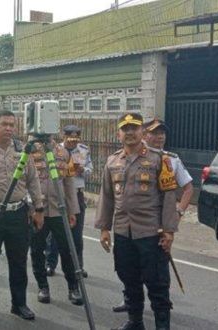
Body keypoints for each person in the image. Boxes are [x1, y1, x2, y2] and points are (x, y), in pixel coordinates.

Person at [95, 112, 179, 330]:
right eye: (125, 129)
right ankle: (135, 322)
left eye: (134, 128)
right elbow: (106, 196)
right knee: (128, 279)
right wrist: (104, 228)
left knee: (157, 283)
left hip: (151, 233)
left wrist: (169, 231)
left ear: (142, 131)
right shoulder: (113, 161)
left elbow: (169, 196)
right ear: (119, 134)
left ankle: (162, 326)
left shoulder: (159, 159)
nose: (130, 132)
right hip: (123, 233)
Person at [112, 118, 194, 314]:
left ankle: (160, 309)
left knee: (156, 276)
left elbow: (185, 189)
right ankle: (133, 307)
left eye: (162, 133)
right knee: (129, 271)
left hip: (154, 227)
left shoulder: (168, 159)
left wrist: (176, 216)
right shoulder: (119, 158)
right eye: (155, 133)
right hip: (127, 228)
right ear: (145, 135)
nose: (160, 137)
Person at [0, 110, 44, 321]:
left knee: (19, 261)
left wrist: (39, 209)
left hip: (18, 213)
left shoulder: (23, 151)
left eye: (12, 125)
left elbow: (33, 180)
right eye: (4, 124)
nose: (9, 128)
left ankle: (19, 304)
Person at [29, 134, 82, 306]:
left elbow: (68, 182)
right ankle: (43, 287)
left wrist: (72, 210)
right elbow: (23, 181)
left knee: (67, 250)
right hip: (38, 211)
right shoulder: (28, 150)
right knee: (37, 251)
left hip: (59, 210)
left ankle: (73, 287)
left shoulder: (63, 152)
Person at [45, 125, 93, 276]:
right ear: (63, 136)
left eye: (75, 139)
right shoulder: (55, 150)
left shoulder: (83, 150)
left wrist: (82, 170)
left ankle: (78, 266)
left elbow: (90, 170)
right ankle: (50, 264)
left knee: (76, 234)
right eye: (69, 139)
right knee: (54, 233)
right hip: (58, 195)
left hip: (76, 194)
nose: (72, 142)